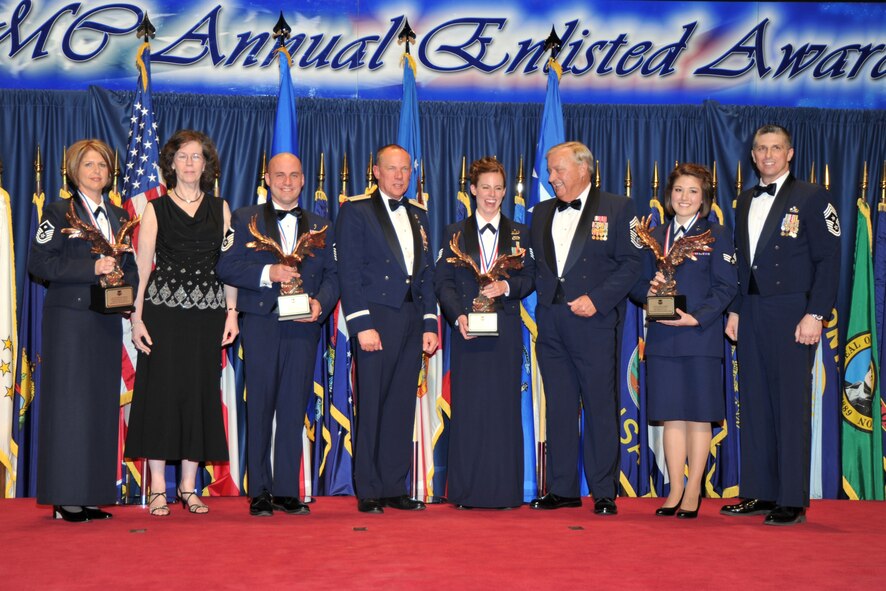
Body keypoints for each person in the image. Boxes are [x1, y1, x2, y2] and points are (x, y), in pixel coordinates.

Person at [721, 124, 840, 526]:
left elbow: (829, 261)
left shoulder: (812, 197)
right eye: (760, 149)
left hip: (794, 313)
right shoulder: (743, 200)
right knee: (754, 404)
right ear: (752, 156)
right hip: (752, 311)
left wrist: (816, 314)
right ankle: (760, 490)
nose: (768, 155)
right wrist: (736, 309)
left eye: (776, 148)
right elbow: (741, 264)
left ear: (789, 153)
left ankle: (791, 498)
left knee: (790, 405)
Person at [216, 152, 339, 517]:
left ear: (304, 181)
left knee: (291, 407)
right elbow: (226, 265)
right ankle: (260, 492)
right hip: (262, 324)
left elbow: (334, 275)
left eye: (294, 176)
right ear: (267, 179)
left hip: (304, 326)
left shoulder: (322, 225)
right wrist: (268, 272)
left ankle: (287, 490)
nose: (287, 182)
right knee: (260, 407)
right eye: (280, 175)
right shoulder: (243, 219)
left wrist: (321, 305)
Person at [125, 130, 239, 516]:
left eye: (197, 157)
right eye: (184, 157)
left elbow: (229, 267)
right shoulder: (154, 209)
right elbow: (143, 266)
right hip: (162, 314)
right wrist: (136, 316)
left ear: (206, 165)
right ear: (171, 164)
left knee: (198, 396)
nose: (190, 163)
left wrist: (232, 312)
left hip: (207, 317)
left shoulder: (221, 208)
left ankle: (189, 487)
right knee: (160, 396)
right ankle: (159, 487)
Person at [528, 141, 641, 515]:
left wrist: (598, 298)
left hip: (594, 321)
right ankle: (562, 489)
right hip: (551, 322)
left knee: (598, 406)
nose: (551, 177)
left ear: (583, 169)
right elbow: (534, 270)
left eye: (558, 170)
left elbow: (631, 264)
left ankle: (603, 491)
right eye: (549, 171)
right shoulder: (542, 212)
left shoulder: (617, 207)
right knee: (559, 406)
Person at [29, 139, 138, 522]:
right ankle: (65, 498)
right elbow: (38, 262)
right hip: (70, 323)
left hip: (107, 322)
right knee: (70, 408)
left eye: (103, 165)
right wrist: (89, 270)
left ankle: (92, 494)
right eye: (89, 165)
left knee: (98, 409)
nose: (97, 172)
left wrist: (129, 294)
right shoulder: (58, 211)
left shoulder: (120, 214)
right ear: (74, 171)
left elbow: (131, 265)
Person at [629, 163, 737, 519]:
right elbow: (635, 283)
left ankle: (694, 490)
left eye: (693, 191)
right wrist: (649, 292)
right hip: (661, 337)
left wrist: (698, 316)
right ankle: (674, 488)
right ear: (669, 195)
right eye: (678, 190)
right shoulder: (654, 234)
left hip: (699, 336)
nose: (685, 197)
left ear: (704, 197)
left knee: (699, 417)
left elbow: (726, 286)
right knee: (672, 416)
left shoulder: (716, 234)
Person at [336, 144, 438, 513]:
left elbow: (426, 274)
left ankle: (395, 486)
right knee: (374, 404)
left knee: (399, 406)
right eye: (391, 168)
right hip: (376, 319)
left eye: (405, 169)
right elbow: (348, 272)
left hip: (412, 320)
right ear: (375, 171)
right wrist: (361, 324)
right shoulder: (356, 212)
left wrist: (429, 322)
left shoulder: (419, 215)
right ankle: (370, 488)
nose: (399, 175)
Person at [435, 157, 535, 509]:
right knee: (469, 411)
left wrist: (507, 287)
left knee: (504, 411)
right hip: (467, 334)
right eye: (485, 188)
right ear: (472, 190)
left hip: (504, 334)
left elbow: (531, 277)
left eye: (498, 188)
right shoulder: (453, 233)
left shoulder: (522, 233)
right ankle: (464, 493)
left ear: (505, 191)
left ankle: (505, 492)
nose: (491, 195)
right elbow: (442, 283)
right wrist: (457, 315)